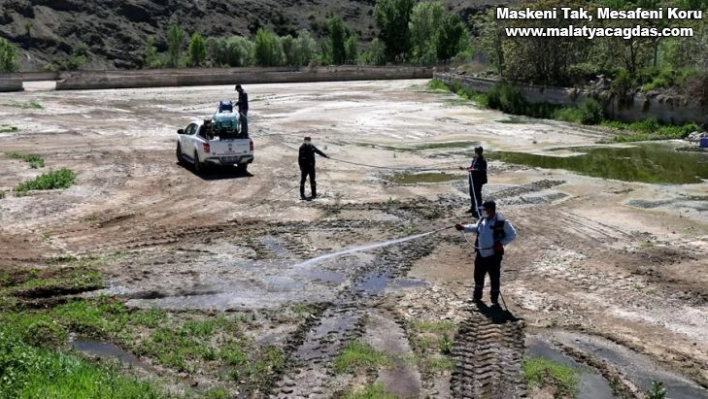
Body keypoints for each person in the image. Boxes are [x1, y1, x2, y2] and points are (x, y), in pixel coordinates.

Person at [455, 200, 517, 304]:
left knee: (494, 277)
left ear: (491, 210)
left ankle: (494, 300)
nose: (482, 211)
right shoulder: (483, 219)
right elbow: (476, 227)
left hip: (494, 256)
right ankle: (477, 297)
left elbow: (512, 234)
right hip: (481, 254)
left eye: (484, 209)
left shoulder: (502, 222)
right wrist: (463, 227)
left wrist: (501, 243)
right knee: (478, 275)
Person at [459, 146, 487, 218]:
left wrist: (472, 170)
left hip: (478, 181)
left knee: (477, 196)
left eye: (476, 152)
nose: (475, 153)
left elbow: (481, 170)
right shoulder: (474, 159)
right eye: (475, 152)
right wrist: (465, 168)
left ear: (480, 152)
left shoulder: (483, 161)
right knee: (472, 194)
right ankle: (473, 209)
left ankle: (480, 211)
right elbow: (472, 167)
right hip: (472, 180)